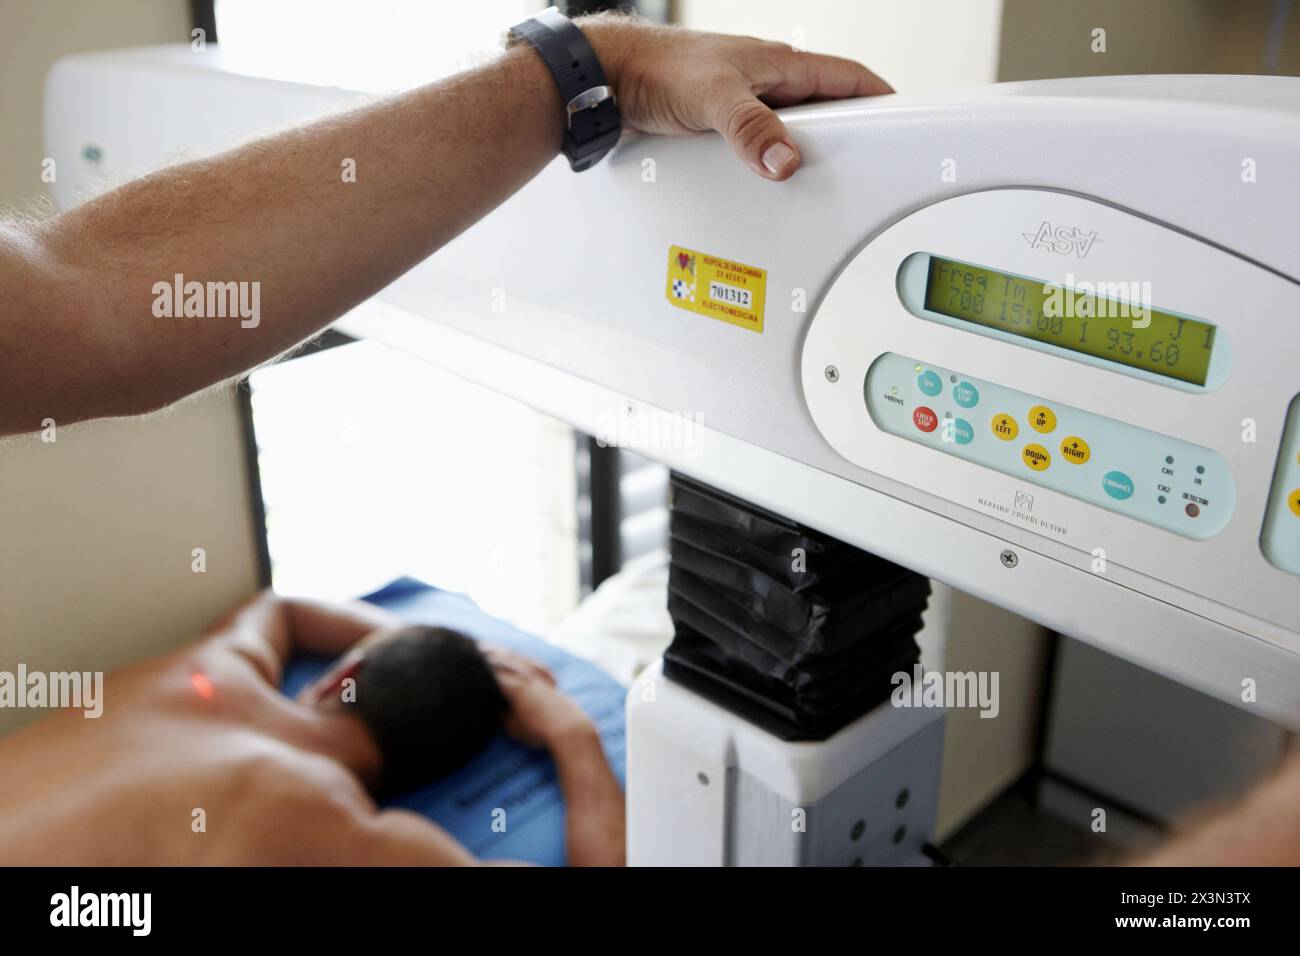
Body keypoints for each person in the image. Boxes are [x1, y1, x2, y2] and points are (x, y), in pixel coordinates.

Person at [0, 591, 625, 865]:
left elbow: (282, 608)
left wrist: (447, 649)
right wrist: (573, 736)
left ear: (338, 676)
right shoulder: (357, 836)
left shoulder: (212, 670)